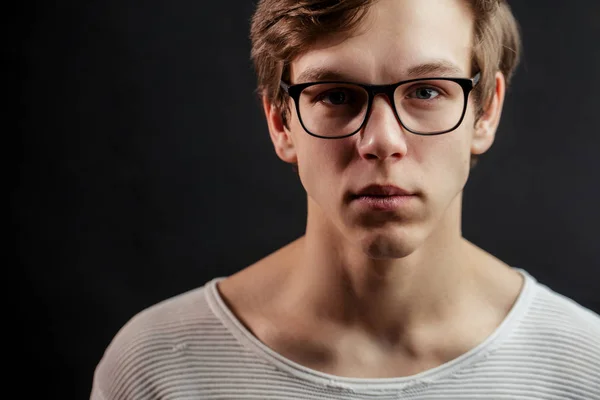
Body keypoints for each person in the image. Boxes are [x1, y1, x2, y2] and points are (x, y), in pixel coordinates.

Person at [90, 0, 600, 398]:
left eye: (426, 91)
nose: (381, 141)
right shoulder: (157, 366)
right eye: (335, 95)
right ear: (280, 122)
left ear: (485, 111)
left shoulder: (584, 369)